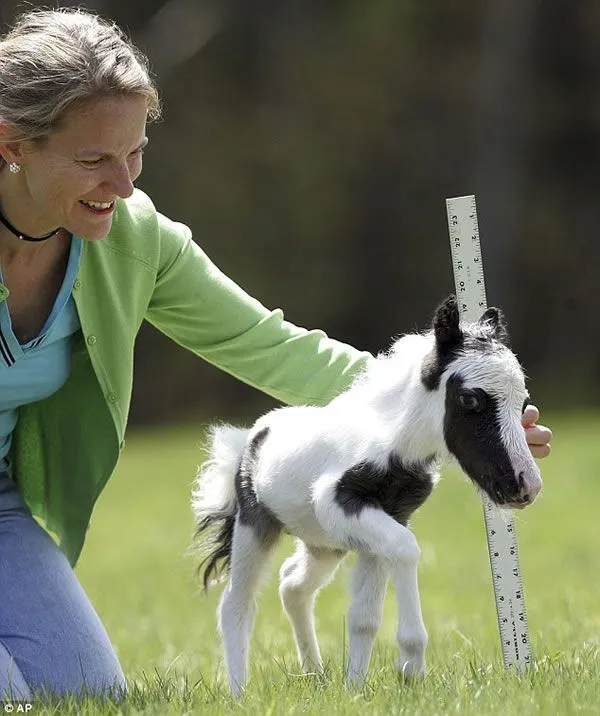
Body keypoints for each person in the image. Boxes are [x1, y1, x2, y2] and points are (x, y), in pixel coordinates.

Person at [0, 6, 552, 701]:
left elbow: (274, 348)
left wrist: (440, 403)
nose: (126, 185)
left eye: (135, 152)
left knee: (80, 694)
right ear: (13, 144)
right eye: (93, 161)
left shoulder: (134, 243)